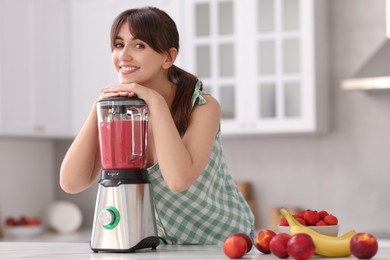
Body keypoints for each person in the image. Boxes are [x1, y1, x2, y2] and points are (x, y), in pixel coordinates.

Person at [60, 6, 254, 245]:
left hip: (224, 242)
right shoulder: (122, 112)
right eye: (119, 45)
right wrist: (98, 107)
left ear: (168, 57)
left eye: (139, 45)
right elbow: (71, 183)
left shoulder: (203, 106)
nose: (123, 56)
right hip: (165, 246)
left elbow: (177, 180)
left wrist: (155, 101)